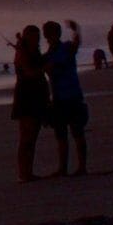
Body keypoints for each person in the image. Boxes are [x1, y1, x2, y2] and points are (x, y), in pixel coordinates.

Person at [46, 21, 90, 175]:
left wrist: (77, 29)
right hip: (59, 97)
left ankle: (81, 167)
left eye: (49, 33)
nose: (47, 36)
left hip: (71, 96)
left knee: (77, 133)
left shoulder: (65, 48)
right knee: (61, 135)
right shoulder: (49, 54)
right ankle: (63, 167)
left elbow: (77, 43)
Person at [12, 23, 52, 181]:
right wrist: (45, 68)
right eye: (34, 37)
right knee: (27, 137)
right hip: (27, 96)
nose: (37, 40)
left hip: (36, 95)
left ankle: (28, 171)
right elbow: (29, 72)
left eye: (38, 37)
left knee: (33, 136)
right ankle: (24, 173)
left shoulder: (31, 50)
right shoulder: (22, 52)